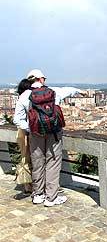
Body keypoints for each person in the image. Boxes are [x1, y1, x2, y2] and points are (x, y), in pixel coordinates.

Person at [13, 69, 81, 207]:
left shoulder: (25, 95)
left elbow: (17, 119)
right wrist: (80, 91)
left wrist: (31, 127)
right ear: (41, 79)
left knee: (37, 163)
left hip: (35, 134)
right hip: (54, 133)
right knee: (53, 163)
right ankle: (51, 197)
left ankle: (38, 195)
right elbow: (68, 90)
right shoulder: (53, 91)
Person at [15, 79, 34, 194]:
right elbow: (17, 119)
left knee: (25, 158)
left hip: (21, 133)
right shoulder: (26, 99)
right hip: (26, 133)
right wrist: (30, 128)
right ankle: (30, 185)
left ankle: (27, 185)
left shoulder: (20, 98)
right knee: (30, 159)